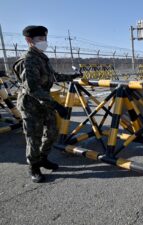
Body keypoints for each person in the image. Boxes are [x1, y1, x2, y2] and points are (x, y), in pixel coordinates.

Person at [13, 25, 82, 183]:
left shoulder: (41, 57)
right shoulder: (28, 60)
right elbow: (33, 89)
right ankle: (33, 166)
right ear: (29, 40)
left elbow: (53, 76)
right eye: (40, 39)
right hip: (31, 104)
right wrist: (57, 106)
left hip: (45, 102)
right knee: (34, 138)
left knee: (52, 132)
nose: (44, 41)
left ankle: (43, 158)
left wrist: (73, 76)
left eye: (45, 38)